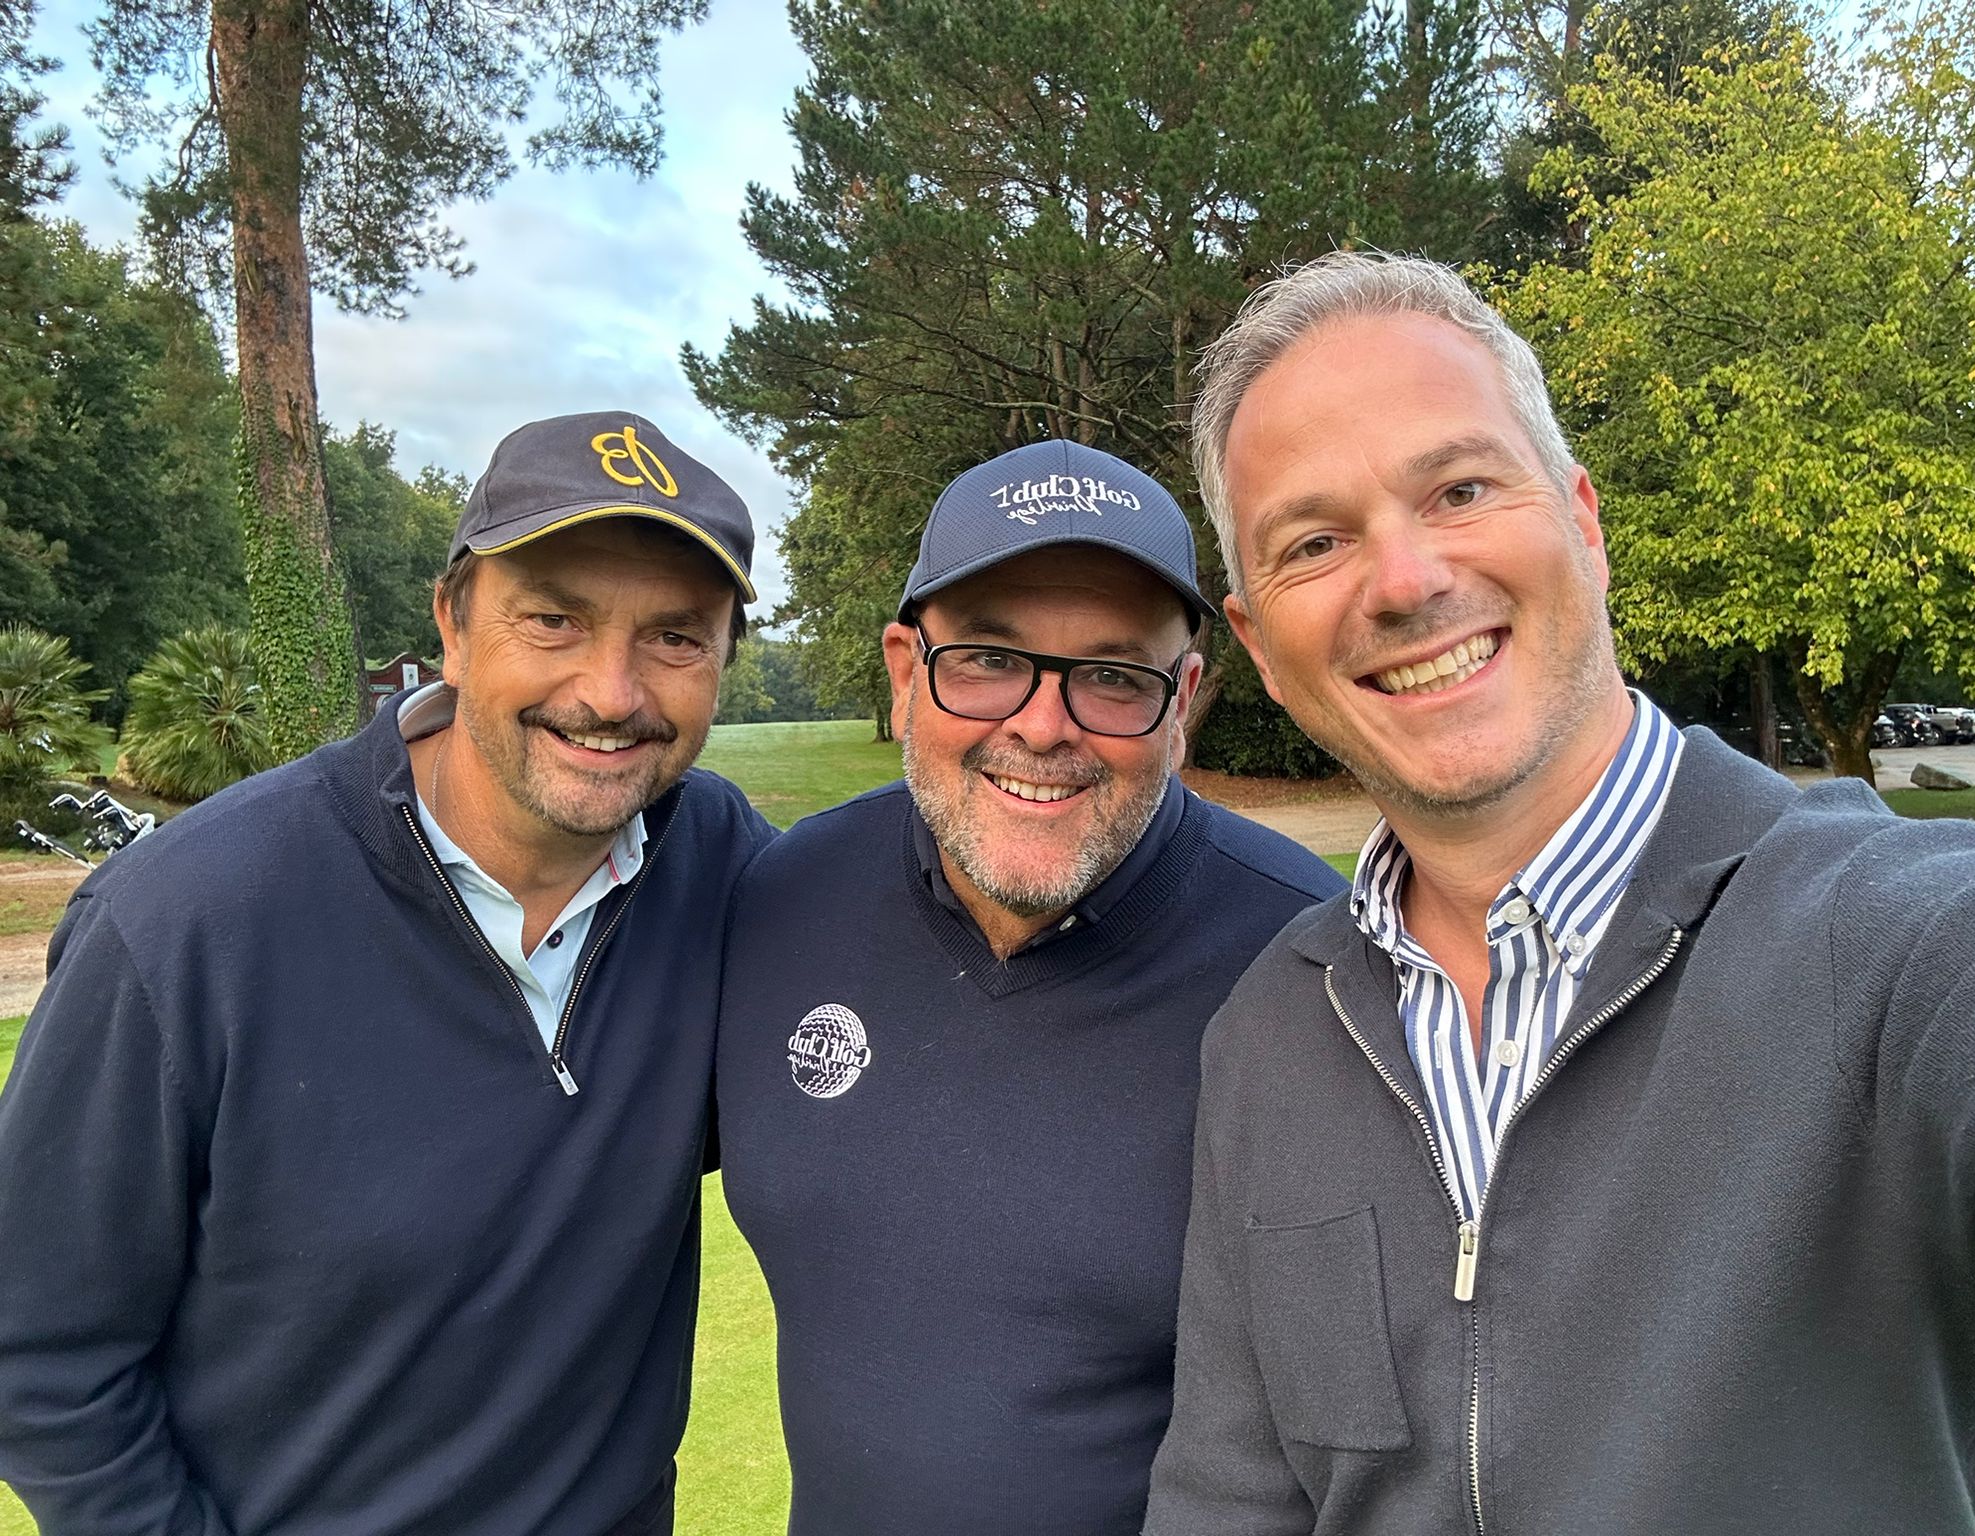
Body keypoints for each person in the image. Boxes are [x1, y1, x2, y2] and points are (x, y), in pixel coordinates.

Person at [1142, 252, 1975, 1534]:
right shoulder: (1269, 1037)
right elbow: (1224, 1508)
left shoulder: (1895, 939)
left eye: (1459, 489)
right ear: (1259, 649)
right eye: (1315, 542)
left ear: (1583, 523)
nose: (1402, 581)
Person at [0, 412, 776, 1536]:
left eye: (675, 637)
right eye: (552, 619)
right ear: (452, 625)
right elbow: (38, 1352)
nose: (611, 693)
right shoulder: (183, 920)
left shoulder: (726, 868)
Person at [714, 438, 1347, 1536]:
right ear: (905, 671)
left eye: (1114, 675)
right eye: (987, 659)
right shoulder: (784, 899)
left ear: (1183, 700)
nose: (1044, 726)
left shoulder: (1309, 968)